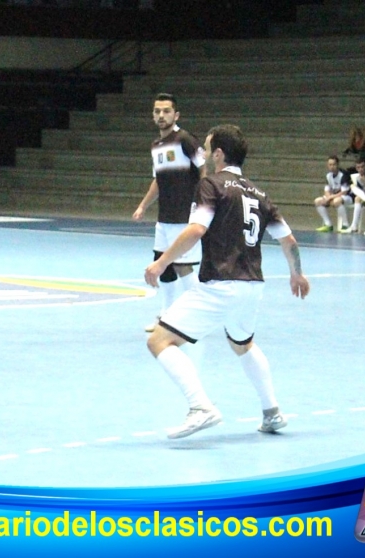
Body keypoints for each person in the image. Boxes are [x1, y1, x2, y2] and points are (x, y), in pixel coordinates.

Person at [144, 124, 310, 439]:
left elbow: (196, 230)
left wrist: (161, 261)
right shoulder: (260, 194)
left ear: (219, 154)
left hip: (221, 284)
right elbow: (288, 240)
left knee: (159, 341)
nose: (205, 153)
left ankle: (200, 407)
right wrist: (296, 273)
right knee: (242, 344)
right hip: (252, 286)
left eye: (208, 148)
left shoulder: (211, 185)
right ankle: (272, 412)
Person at [133, 93, 206, 332]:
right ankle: (167, 315)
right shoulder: (156, 146)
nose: (161, 115)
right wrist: (144, 205)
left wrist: (202, 202)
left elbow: (203, 168)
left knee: (182, 265)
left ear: (176, 115)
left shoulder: (185, 139)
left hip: (184, 215)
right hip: (164, 217)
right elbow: (158, 180)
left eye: (166, 111)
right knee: (161, 264)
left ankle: (200, 314)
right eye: (157, 111)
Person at [314, 155, 352, 232]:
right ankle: (328, 224)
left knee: (337, 201)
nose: (332, 167)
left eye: (334, 164)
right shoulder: (328, 175)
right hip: (334, 197)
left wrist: (330, 198)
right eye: (330, 165)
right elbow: (327, 190)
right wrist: (328, 197)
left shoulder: (343, 175)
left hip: (348, 197)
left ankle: (345, 225)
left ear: (338, 165)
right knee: (318, 201)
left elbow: (344, 192)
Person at [340, 156, 365, 234]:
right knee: (355, 192)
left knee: (356, 193)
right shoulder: (356, 177)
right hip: (363, 197)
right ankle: (354, 226)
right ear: (356, 169)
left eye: (362, 167)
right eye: (358, 167)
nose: (361, 169)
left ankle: (354, 226)